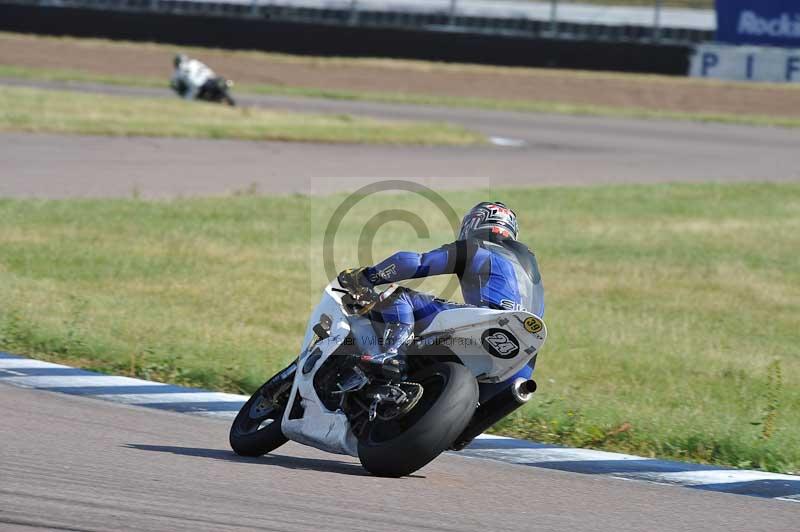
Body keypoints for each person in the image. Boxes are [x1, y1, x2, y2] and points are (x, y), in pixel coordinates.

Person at [338, 201, 544, 388]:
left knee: (397, 295)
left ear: (473, 224)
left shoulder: (478, 247)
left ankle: (392, 356)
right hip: (522, 365)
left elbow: (412, 263)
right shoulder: (531, 269)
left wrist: (365, 277)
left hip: (493, 323)